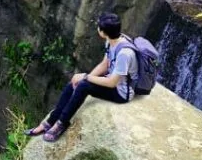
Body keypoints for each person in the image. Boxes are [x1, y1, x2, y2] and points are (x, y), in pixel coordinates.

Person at [25, 12, 138, 142]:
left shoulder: (125, 53)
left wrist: (85, 77)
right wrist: (84, 77)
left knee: (84, 86)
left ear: (103, 32)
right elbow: (104, 65)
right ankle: (50, 121)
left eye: (99, 27)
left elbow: (112, 83)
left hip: (121, 93)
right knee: (75, 84)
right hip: (113, 82)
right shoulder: (112, 41)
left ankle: (61, 123)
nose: (98, 29)